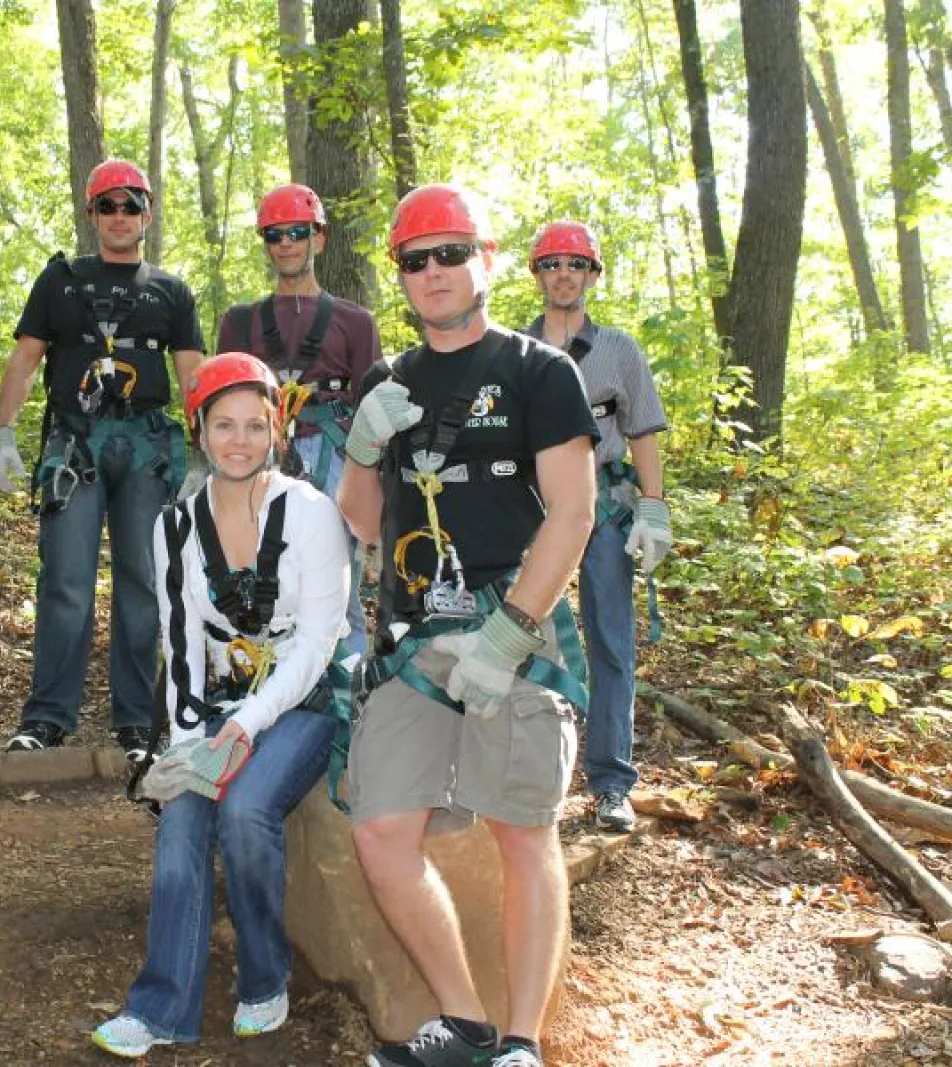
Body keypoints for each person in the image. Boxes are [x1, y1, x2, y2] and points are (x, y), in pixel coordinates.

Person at [336, 185, 598, 1067]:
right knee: (380, 832)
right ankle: (464, 1022)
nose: (435, 272)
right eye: (416, 260)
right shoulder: (387, 381)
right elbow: (362, 520)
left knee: (523, 830)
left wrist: (511, 634)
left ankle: (521, 1042)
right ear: (401, 278)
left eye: (451, 253)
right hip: (414, 638)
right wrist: (365, 447)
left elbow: (573, 513)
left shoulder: (537, 372)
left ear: (485, 257)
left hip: (511, 629)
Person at [91, 353, 349, 1058]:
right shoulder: (174, 526)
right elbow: (177, 644)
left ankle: (266, 975)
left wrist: (241, 726)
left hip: (304, 700)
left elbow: (318, 642)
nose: (239, 440)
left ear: (277, 429)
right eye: (223, 424)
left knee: (245, 807)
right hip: (217, 703)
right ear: (199, 430)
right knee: (183, 825)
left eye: (254, 425)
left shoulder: (311, 513)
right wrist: (183, 746)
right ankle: (161, 1007)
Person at [0, 159, 204, 761]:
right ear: (90, 214)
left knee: (143, 581)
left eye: (130, 205)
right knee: (66, 582)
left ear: (148, 214)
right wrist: (3, 431)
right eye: (107, 205)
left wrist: (205, 453)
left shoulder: (171, 290)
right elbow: (27, 360)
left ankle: (136, 721)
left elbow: (192, 376)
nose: (119, 216)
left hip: (149, 447)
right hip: (74, 445)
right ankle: (48, 718)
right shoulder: (59, 282)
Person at [523, 220, 671, 834]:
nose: (563, 274)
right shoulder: (516, 349)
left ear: (591, 275)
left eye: (575, 265)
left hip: (606, 504)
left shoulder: (620, 351)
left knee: (611, 640)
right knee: (527, 635)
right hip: (532, 507)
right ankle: (531, 776)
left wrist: (653, 506)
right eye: (552, 263)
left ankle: (611, 781)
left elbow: (642, 430)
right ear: (537, 274)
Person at [215, 183, 382, 656]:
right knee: (259, 581)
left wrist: (376, 491)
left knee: (337, 585)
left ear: (319, 238)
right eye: (275, 234)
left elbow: (371, 410)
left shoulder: (354, 322)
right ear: (265, 243)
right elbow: (223, 404)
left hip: (332, 454)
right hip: (261, 458)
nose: (286, 242)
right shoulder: (240, 322)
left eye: (297, 232)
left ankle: (349, 704)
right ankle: (265, 692)